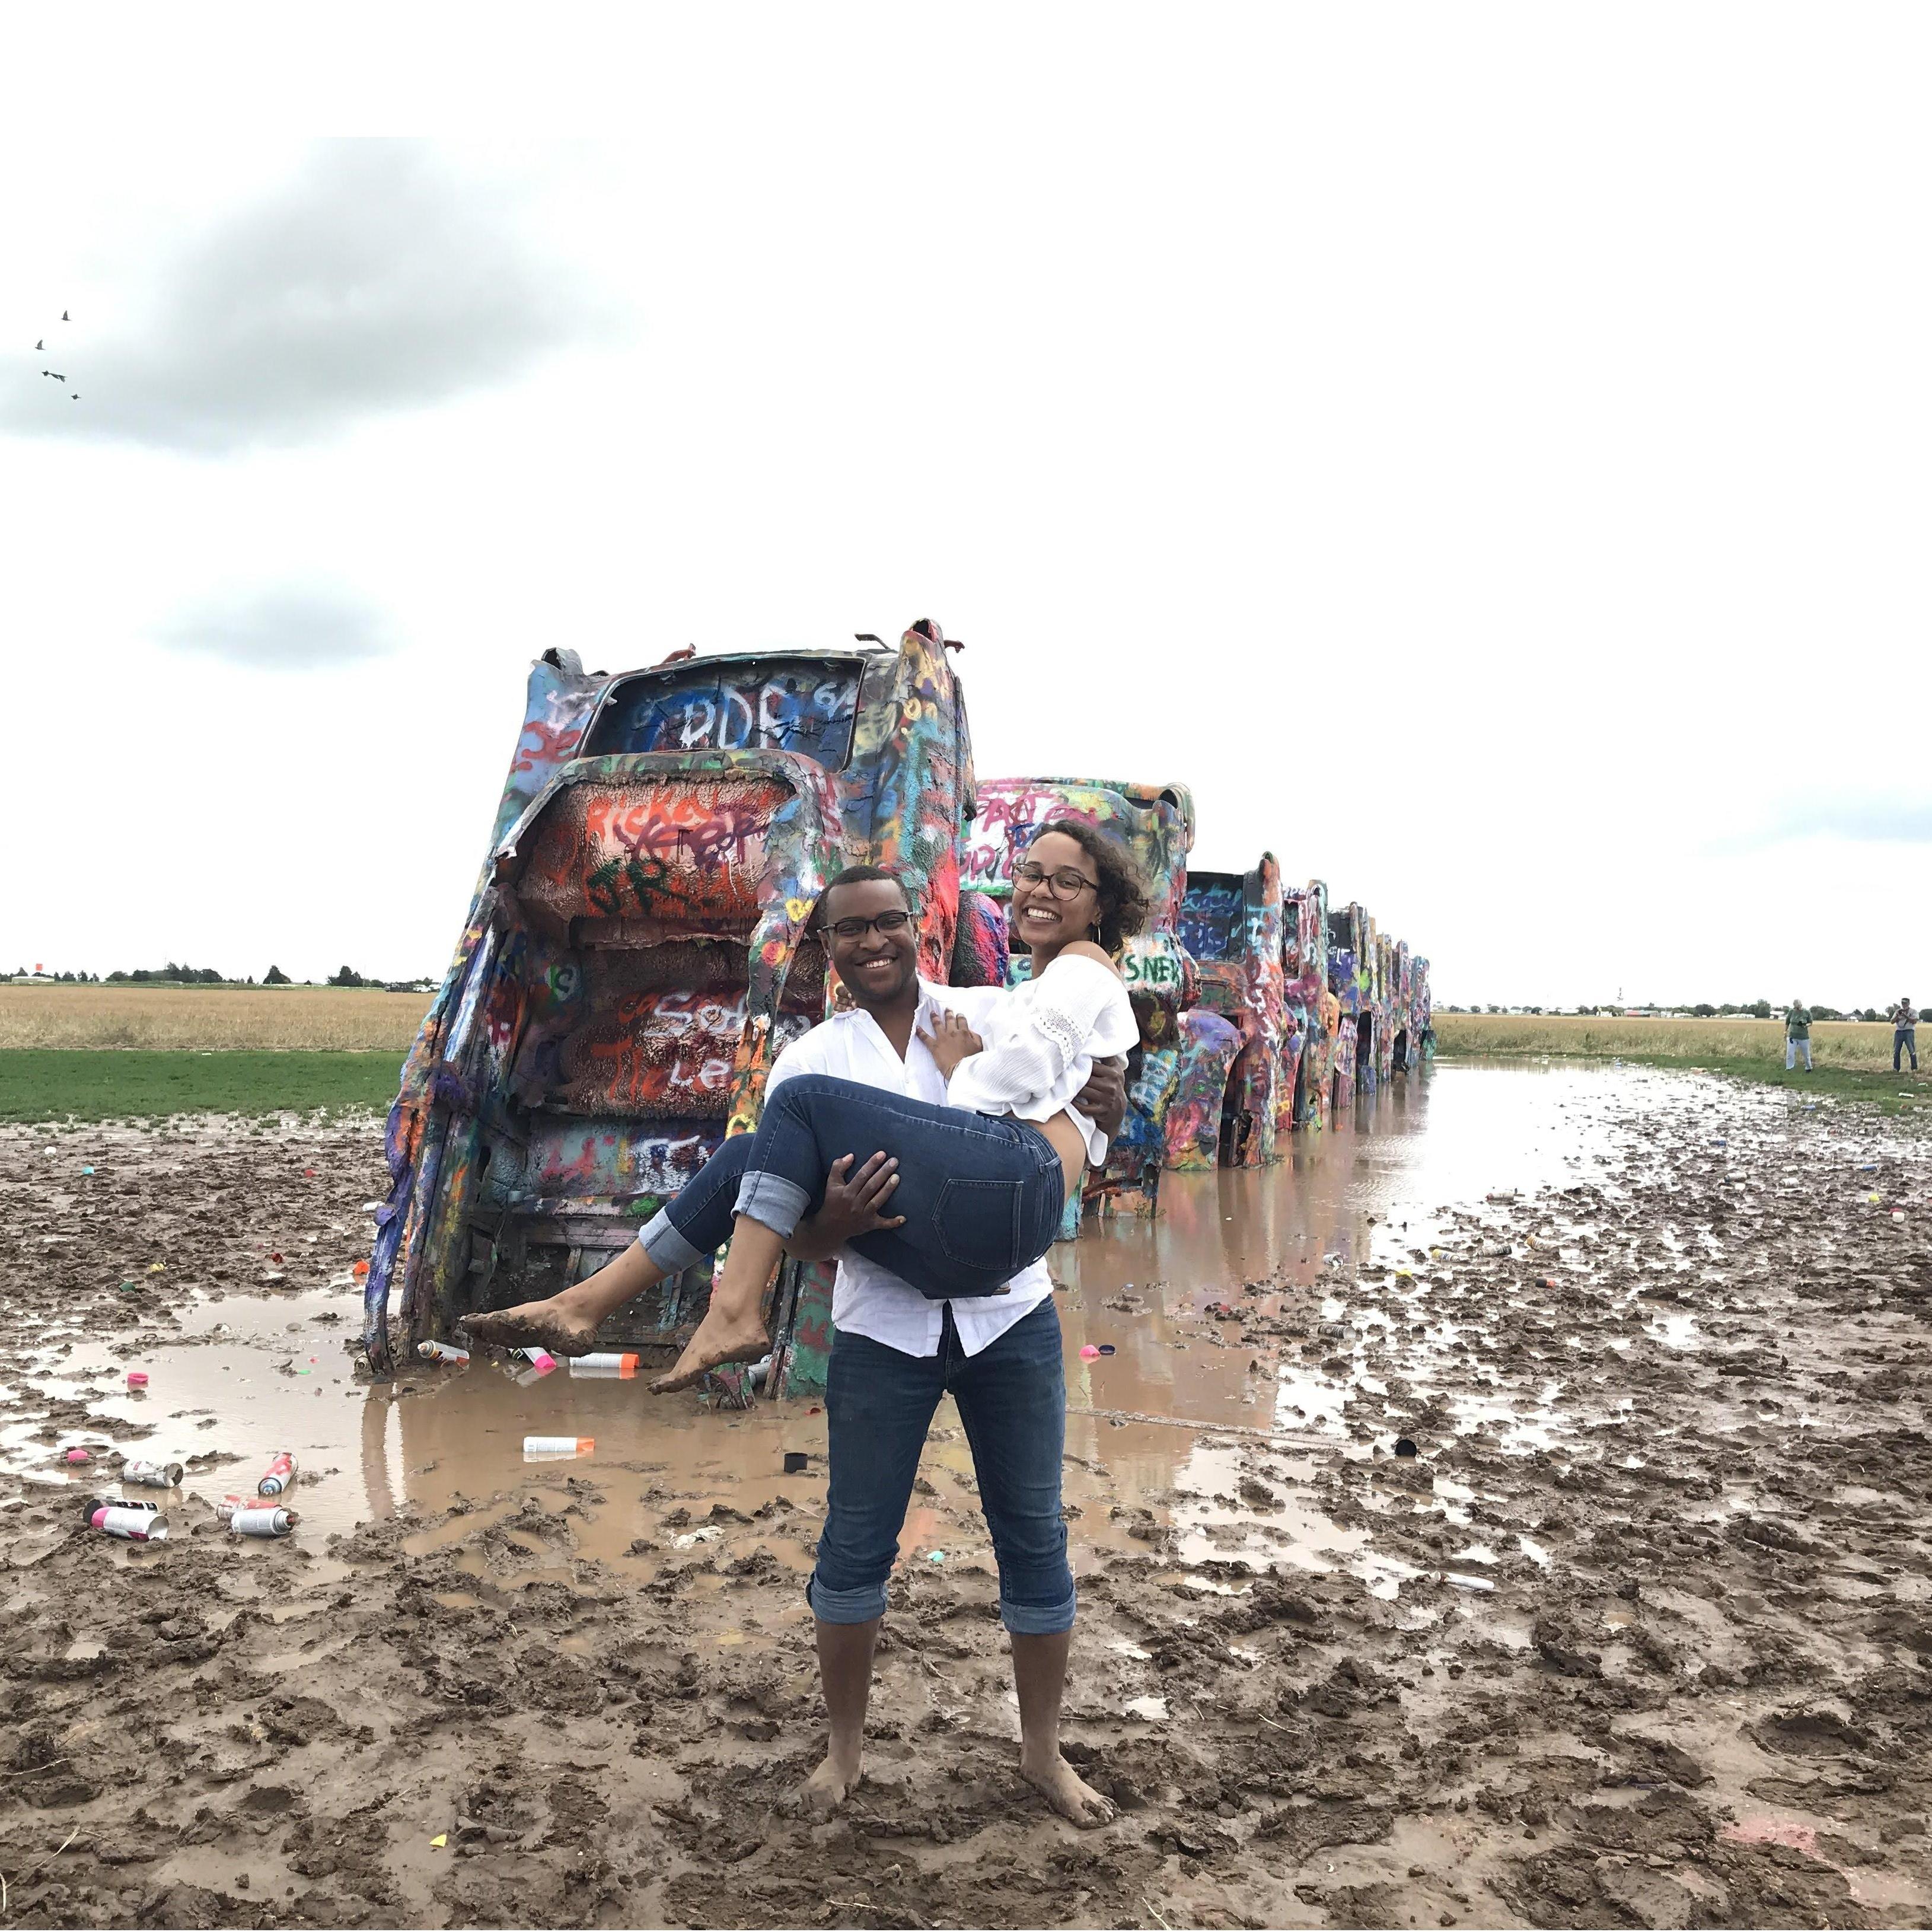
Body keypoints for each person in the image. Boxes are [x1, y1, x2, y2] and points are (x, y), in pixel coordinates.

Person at [465, 823, 1146, 1825]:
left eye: (890, 925)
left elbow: (1072, 1070)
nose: (873, 944)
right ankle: (842, 1752)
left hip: (1007, 1312)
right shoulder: (808, 1061)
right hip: (886, 1314)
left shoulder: (984, 1008)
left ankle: (1043, 1752)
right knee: (854, 1543)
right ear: (827, 955)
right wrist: (835, 1219)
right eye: (850, 933)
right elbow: (797, 1228)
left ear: (921, 933)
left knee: (1033, 1537)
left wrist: (1112, 1091)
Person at [1784, 999, 1813, 1071]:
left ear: (1801, 1005)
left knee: (1806, 1054)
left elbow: (1811, 1023)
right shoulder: (1791, 1012)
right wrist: (1785, 1031)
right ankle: (1789, 1067)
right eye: (1796, 1008)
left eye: (1799, 1007)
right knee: (1790, 1053)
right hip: (1792, 1036)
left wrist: (1806, 1025)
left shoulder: (1807, 1012)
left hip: (1804, 1037)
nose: (1798, 1009)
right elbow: (1787, 1022)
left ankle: (1808, 1068)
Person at [1893, 996, 1918, 1073]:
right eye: (1903, 1003)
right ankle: (1896, 1068)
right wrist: (1897, 1016)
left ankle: (1914, 1068)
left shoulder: (1913, 1012)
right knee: (1896, 1051)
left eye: (1905, 1003)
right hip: (1899, 1032)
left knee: (1911, 1050)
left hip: (1909, 1031)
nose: (1904, 1005)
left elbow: (1914, 1021)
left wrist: (1905, 1016)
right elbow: (1892, 1021)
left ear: (1909, 1003)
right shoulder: (1898, 1011)